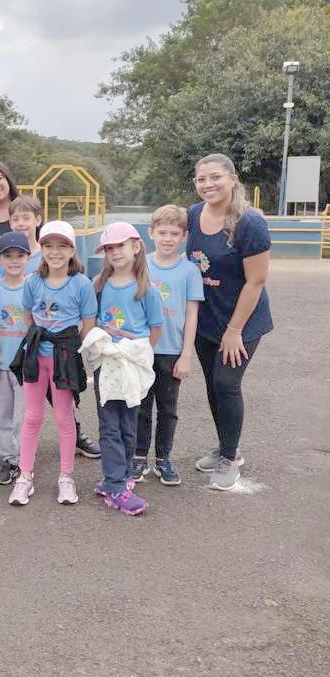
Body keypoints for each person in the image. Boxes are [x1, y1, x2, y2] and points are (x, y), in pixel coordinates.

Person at [187, 153, 272, 491]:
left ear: (233, 178)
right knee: (212, 385)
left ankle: (231, 458)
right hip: (207, 319)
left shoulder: (249, 223)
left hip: (242, 322)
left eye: (215, 177)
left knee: (226, 383)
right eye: (201, 179)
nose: (207, 184)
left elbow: (256, 282)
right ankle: (226, 446)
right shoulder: (193, 215)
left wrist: (234, 331)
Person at [8, 221, 96, 507]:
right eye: (48, 246)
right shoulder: (33, 281)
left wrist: (68, 345)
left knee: (64, 417)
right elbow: (27, 315)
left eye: (61, 246)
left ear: (72, 250)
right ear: (41, 249)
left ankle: (66, 476)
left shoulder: (81, 283)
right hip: (37, 355)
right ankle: (25, 475)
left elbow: (88, 324)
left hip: (64, 356)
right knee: (32, 417)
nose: (54, 252)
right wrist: (39, 338)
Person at [84, 222, 163, 517]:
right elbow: (89, 324)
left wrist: (139, 349)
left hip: (132, 367)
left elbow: (155, 329)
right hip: (107, 366)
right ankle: (115, 485)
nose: (115, 252)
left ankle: (119, 474)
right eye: (109, 248)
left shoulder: (146, 290)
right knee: (109, 424)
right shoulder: (98, 285)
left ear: (136, 246)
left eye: (120, 246)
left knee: (129, 423)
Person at [131, 205, 204, 486]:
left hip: (172, 351)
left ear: (184, 236)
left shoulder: (189, 272)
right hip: (142, 349)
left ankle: (164, 459)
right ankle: (139, 457)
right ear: (150, 233)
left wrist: (186, 354)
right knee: (140, 406)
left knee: (168, 408)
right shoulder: (141, 264)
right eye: (162, 232)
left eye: (175, 233)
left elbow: (192, 314)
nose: (168, 238)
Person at [0, 231, 31, 485]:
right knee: (0, 416)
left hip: (27, 365)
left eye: (20, 255)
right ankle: (9, 458)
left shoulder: (34, 286)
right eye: (8, 256)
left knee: (23, 416)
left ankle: (23, 458)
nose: (14, 261)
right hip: (2, 362)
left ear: (28, 258)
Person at [0, 195, 43, 282]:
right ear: (10, 223)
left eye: (26, 218)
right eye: (15, 219)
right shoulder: (4, 255)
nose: (20, 223)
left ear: (38, 220)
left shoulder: (45, 255)